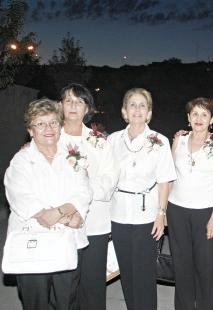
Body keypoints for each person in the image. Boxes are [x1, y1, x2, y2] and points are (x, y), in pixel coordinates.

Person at [4, 98, 92, 310]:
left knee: (67, 302)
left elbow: (83, 190)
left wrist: (69, 213)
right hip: (34, 243)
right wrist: (65, 215)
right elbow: (22, 198)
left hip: (68, 242)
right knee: (36, 304)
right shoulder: (21, 161)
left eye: (53, 122)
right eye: (40, 124)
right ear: (30, 130)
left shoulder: (72, 157)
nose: (48, 128)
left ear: (60, 126)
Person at [107, 88, 176, 310]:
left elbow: (165, 180)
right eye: (132, 105)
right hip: (118, 213)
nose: (137, 109)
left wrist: (161, 214)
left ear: (149, 113)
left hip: (148, 215)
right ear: (124, 111)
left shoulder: (160, 141)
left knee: (145, 272)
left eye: (142, 105)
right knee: (126, 271)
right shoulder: (112, 140)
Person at [58, 83, 118, 310]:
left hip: (94, 224)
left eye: (79, 101)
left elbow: (110, 180)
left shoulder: (99, 142)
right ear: (60, 105)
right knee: (64, 291)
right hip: (60, 225)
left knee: (92, 289)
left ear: (87, 108)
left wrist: (81, 190)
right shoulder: (49, 139)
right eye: (68, 100)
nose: (73, 105)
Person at [167, 98, 213, 310]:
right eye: (195, 114)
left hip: (205, 214)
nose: (199, 118)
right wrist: (164, 209)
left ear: (211, 119)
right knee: (182, 268)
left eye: (204, 114)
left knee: (205, 269)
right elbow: (170, 176)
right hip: (176, 210)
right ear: (188, 118)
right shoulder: (179, 140)